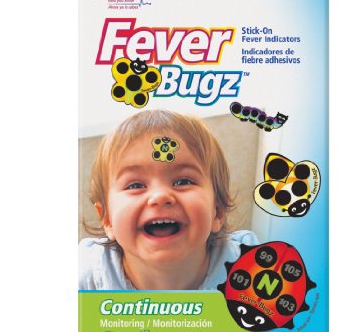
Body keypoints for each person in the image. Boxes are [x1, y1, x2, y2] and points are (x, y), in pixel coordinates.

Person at [79, 109, 258, 290]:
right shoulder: (87, 274)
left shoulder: (248, 267)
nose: (160, 196)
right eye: (135, 185)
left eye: (183, 182)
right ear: (107, 219)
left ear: (217, 212)